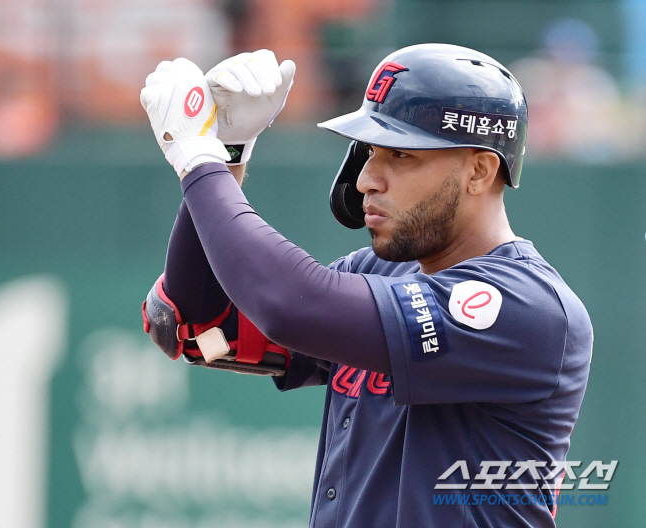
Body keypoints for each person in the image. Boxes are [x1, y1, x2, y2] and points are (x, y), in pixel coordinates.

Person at [140, 44, 592, 527]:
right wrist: (227, 151)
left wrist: (199, 162)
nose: (367, 180)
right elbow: (197, 325)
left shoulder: (529, 307)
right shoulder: (378, 273)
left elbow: (290, 305)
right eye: (371, 152)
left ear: (479, 170)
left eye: (400, 154)